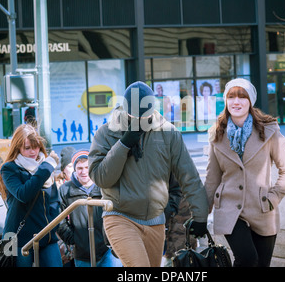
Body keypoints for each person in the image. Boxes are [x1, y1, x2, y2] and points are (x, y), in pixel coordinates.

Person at [88, 81, 209, 267]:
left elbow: (189, 177)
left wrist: (200, 216)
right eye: (134, 114)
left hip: (156, 221)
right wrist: (124, 144)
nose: (140, 119)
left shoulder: (168, 133)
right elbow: (101, 178)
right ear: (125, 109)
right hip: (120, 216)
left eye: (145, 114)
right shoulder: (106, 133)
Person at [204, 78, 285, 267]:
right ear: (226, 100)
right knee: (247, 259)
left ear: (250, 101)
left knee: (261, 264)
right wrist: (200, 214)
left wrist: (272, 198)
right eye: (231, 96)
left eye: (242, 96)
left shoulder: (269, 131)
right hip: (229, 209)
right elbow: (212, 179)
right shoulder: (217, 134)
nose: (236, 101)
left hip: (262, 208)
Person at [0, 124, 62, 267]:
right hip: (18, 238)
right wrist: (46, 168)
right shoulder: (9, 168)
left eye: (36, 146)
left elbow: (54, 201)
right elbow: (24, 194)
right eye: (27, 148)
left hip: (46, 235)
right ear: (18, 148)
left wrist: (53, 227)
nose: (33, 151)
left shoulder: (45, 166)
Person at [57, 150, 122, 267]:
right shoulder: (65, 190)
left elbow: (119, 210)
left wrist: (111, 237)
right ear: (75, 170)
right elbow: (58, 219)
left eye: (87, 167)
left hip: (108, 250)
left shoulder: (104, 184)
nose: (84, 171)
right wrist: (74, 239)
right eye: (80, 168)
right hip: (82, 253)